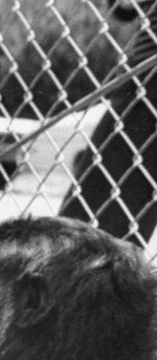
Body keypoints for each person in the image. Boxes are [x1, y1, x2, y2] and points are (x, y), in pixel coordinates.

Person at [59, 0, 157, 246]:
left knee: (96, 232)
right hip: (145, 79)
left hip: (147, 82)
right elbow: (125, 8)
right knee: (101, 221)